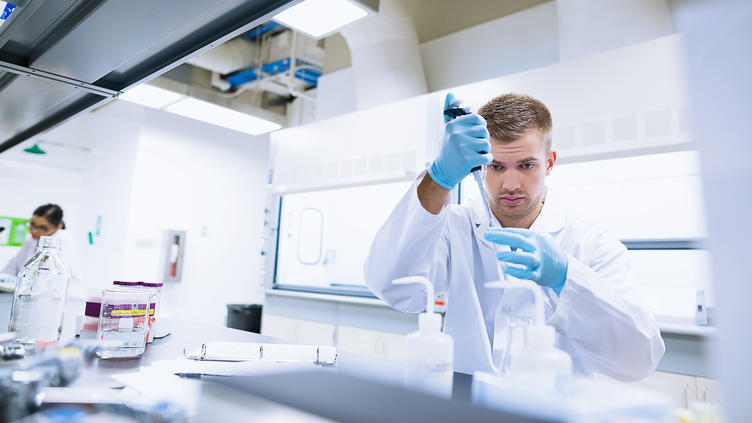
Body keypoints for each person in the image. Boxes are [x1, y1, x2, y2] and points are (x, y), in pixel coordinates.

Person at [364, 93, 665, 381]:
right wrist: (438, 176)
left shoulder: (590, 241)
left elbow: (638, 359)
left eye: (526, 166)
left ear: (549, 163)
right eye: (496, 166)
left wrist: (567, 278)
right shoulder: (457, 227)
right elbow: (393, 288)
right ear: (480, 166)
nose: (510, 184)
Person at [1, 204, 81, 293]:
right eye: (32, 224)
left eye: (43, 228)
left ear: (58, 227)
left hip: (61, 296)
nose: (34, 230)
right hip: (28, 294)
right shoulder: (30, 239)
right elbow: (13, 266)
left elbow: (47, 279)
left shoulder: (62, 240)